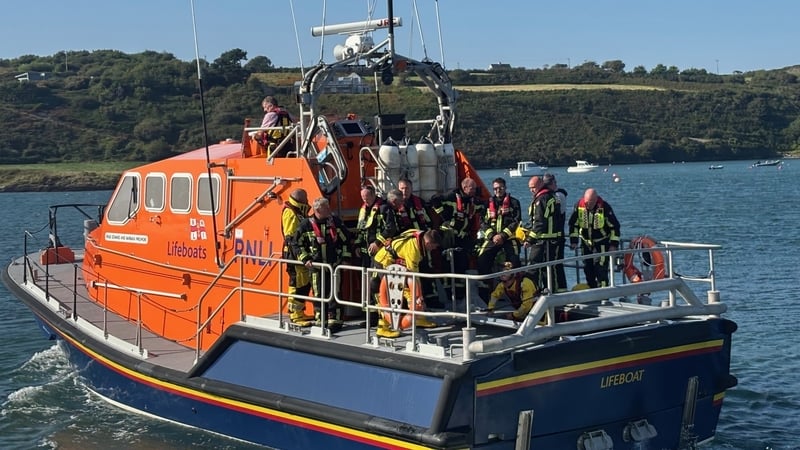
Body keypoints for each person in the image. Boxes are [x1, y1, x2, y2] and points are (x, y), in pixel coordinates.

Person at [291, 197, 354, 331]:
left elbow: (346, 241)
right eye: (327, 208)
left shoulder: (335, 222)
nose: (330, 210)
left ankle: (335, 320)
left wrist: (345, 259)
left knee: (335, 292)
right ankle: (321, 320)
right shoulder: (306, 225)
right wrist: (305, 259)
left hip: (334, 265)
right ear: (318, 210)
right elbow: (296, 244)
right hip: (317, 267)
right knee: (319, 293)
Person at [372, 229, 441, 337]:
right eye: (434, 246)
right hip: (383, 263)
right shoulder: (413, 251)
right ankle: (382, 328)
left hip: (395, 264)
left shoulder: (418, 234)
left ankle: (418, 318)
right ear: (428, 243)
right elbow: (414, 277)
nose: (434, 249)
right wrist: (417, 298)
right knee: (389, 296)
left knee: (411, 294)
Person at [433, 177, 485, 299]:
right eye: (472, 188)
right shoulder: (452, 197)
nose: (474, 190)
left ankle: (460, 291)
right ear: (465, 188)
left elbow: (481, 207)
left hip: (462, 236)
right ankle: (448, 290)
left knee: (462, 261)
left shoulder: (471, 200)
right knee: (448, 262)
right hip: (449, 235)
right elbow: (434, 200)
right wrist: (446, 217)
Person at [476, 177, 522, 300]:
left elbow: (516, 221)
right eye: (495, 188)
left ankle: (517, 292)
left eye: (500, 188)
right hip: (492, 238)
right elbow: (482, 222)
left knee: (514, 262)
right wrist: (492, 236)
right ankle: (485, 294)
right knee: (482, 259)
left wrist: (502, 235)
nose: (498, 191)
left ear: (505, 188)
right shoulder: (487, 204)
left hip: (508, 239)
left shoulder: (514, 203)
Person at [568, 188, 621, 288]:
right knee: (588, 269)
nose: (589, 205)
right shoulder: (579, 206)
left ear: (596, 200)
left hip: (601, 244)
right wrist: (574, 241)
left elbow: (615, 227)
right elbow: (573, 225)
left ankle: (604, 294)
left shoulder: (604, 207)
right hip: (585, 244)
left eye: (591, 202)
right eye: (587, 202)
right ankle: (592, 292)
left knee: (601, 269)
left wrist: (614, 244)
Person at [281, 188, 313, 325]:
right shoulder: (290, 213)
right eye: (305, 198)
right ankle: (295, 314)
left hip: (298, 253)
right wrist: (299, 255)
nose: (307, 201)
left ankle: (299, 312)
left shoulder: (298, 211)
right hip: (294, 255)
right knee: (296, 283)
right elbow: (291, 238)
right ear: (300, 199)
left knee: (303, 282)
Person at [523, 175, 560, 292]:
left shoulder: (542, 199)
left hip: (544, 239)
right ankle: (546, 290)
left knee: (534, 266)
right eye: (530, 188)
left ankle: (534, 292)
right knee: (546, 268)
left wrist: (529, 239)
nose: (531, 190)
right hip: (547, 238)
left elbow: (540, 222)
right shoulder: (548, 196)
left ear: (540, 184)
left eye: (533, 187)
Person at [544, 173, 568, 292]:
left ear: (553, 183)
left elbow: (555, 213)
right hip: (549, 237)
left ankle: (561, 290)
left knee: (557, 264)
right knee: (550, 264)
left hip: (557, 237)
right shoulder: (548, 196)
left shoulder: (558, 196)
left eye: (548, 184)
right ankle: (551, 287)